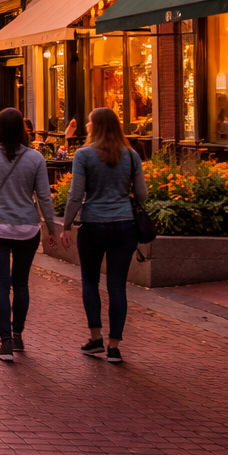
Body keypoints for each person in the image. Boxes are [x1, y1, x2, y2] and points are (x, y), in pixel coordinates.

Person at [0, 107, 59, 362]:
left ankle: (5, 341)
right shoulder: (35, 158)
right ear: (23, 128)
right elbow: (43, 196)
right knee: (20, 283)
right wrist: (51, 228)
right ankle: (18, 334)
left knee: (0, 283)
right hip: (27, 227)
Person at [61, 107, 146, 364]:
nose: (86, 126)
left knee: (89, 281)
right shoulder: (131, 156)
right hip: (124, 225)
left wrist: (66, 224)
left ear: (94, 126)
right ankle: (115, 346)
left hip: (94, 224)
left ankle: (95, 337)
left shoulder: (84, 155)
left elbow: (76, 194)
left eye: (88, 123)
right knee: (118, 286)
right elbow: (141, 195)